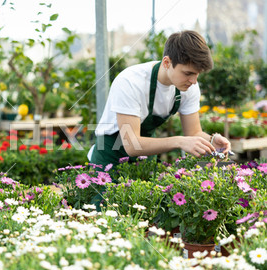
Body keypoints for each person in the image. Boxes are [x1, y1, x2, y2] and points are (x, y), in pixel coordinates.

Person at [88, 30, 231, 168]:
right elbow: (132, 145)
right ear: (167, 63)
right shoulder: (131, 82)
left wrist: (212, 141)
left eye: (197, 74)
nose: (194, 80)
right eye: (188, 73)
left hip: (145, 159)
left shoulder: (189, 87)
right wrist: (179, 141)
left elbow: (193, 133)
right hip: (109, 158)